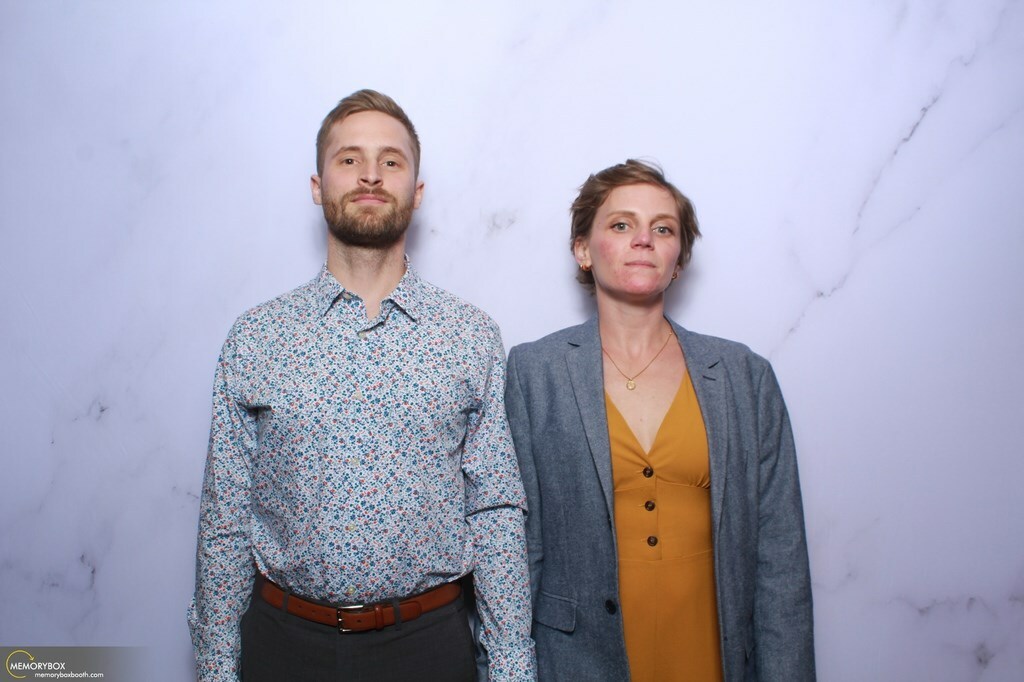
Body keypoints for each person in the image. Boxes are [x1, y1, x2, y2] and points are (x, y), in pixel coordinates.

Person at [187, 89, 536, 681]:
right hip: (285, 646)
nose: (370, 174)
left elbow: (495, 509)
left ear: (416, 191)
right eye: (349, 159)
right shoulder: (257, 337)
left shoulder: (470, 336)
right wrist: (217, 668)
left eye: (390, 161)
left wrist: (510, 668)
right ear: (318, 185)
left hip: (429, 647)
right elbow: (226, 516)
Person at [505, 160, 814, 681]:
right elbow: (516, 548)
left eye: (663, 229)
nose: (644, 239)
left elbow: (781, 560)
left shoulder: (744, 376)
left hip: (711, 655)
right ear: (583, 250)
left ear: (678, 261)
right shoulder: (534, 372)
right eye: (621, 224)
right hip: (577, 664)